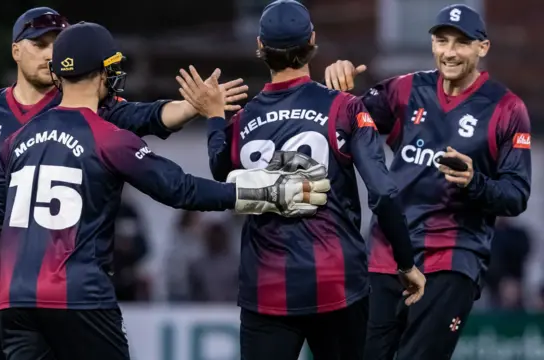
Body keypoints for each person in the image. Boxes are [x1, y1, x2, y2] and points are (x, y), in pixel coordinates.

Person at [0, 6, 248, 360]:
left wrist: (193, 107)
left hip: (45, 288)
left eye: (57, 44)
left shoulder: (91, 106)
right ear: (15, 50)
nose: (49, 53)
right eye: (39, 43)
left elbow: (148, 115)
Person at [0, 21, 331, 360]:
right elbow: (181, 190)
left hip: (14, 300)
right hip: (78, 297)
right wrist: (267, 192)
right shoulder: (108, 138)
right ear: (101, 72)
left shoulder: (16, 140)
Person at [177, 1, 426, 359]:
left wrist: (215, 117)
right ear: (312, 40)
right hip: (336, 282)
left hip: (267, 288)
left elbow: (222, 172)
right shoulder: (344, 107)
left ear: (259, 47)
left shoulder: (243, 119)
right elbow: (384, 192)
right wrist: (405, 262)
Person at [324, 4, 532, 360]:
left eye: (461, 43)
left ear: (483, 48)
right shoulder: (405, 89)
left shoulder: (507, 109)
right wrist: (338, 88)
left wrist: (474, 181)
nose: (449, 52)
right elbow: (342, 124)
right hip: (385, 255)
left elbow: (516, 195)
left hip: (451, 260)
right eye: (442, 41)